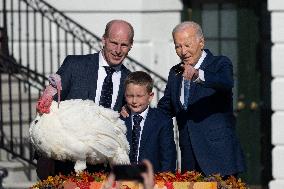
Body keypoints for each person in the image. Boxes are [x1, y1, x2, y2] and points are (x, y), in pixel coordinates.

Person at [35, 19, 134, 180]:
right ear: (104, 40)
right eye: (113, 43)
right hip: (65, 166)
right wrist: (42, 154)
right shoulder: (74, 65)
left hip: (104, 170)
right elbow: (47, 108)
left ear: (131, 45)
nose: (117, 50)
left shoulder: (129, 80)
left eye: (123, 45)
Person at [157, 21, 246, 177]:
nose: (183, 51)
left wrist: (198, 75)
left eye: (187, 45)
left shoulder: (220, 63)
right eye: (178, 46)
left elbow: (225, 82)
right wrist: (136, 110)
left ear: (201, 42)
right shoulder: (175, 72)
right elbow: (166, 108)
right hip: (189, 159)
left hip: (219, 157)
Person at [121, 71, 176, 173]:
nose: (134, 101)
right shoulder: (119, 119)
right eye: (130, 96)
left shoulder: (162, 121)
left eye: (139, 96)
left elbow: (168, 158)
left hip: (153, 181)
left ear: (150, 96)